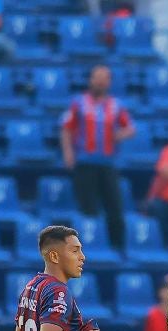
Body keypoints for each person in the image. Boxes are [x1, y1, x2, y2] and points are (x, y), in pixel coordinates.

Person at [60, 65, 135, 250]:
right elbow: (66, 128)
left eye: (104, 78)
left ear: (109, 82)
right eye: (97, 77)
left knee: (115, 207)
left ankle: (117, 246)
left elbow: (131, 128)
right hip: (85, 163)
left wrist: (120, 134)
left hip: (108, 163)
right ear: (90, 80)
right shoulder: (79, 103)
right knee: (88, 209)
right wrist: (68, 153)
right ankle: (88, 247)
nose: (100, 82)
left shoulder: (116, 105)